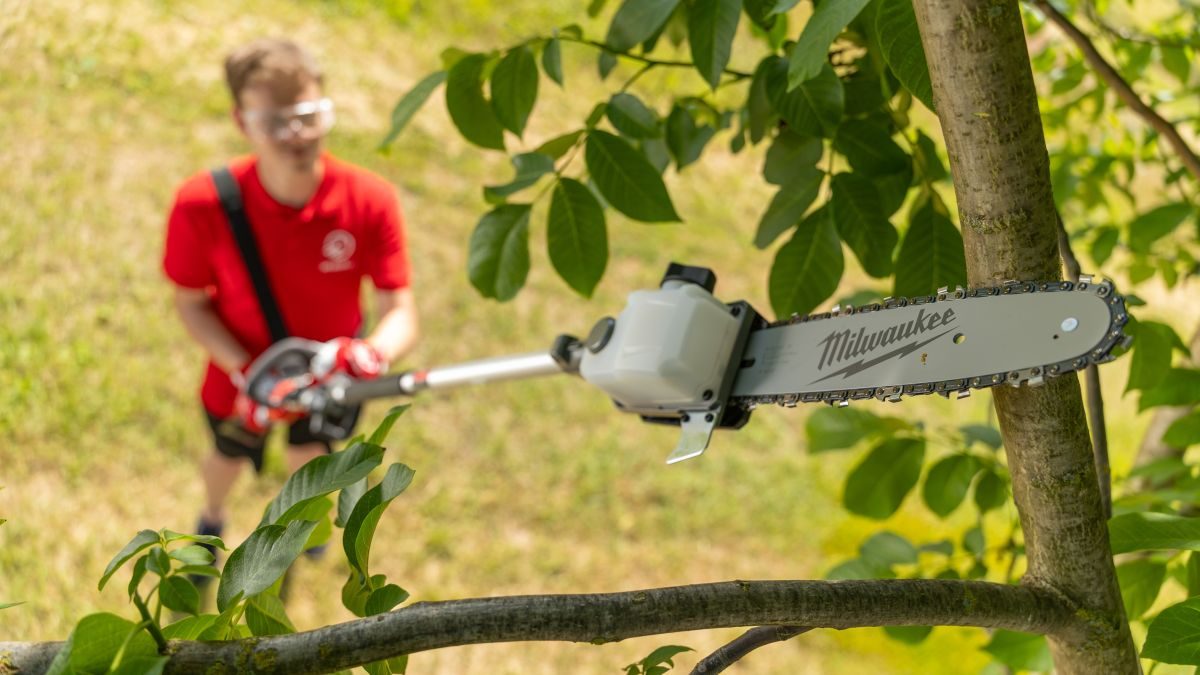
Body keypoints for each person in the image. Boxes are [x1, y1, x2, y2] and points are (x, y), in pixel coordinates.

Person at [162, 38, 419, 557]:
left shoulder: (370, 199)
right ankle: (211, 520)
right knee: (227, 455)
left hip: (329, 374)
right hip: (240, 376)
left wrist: (370, 355)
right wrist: (245, 373)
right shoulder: (201, 204)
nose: (296, 134)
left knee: (314, 459)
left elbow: (400, 309)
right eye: (275, 121)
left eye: (307, 115)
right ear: (242, 121)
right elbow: (190, 301)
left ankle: (305, 529)